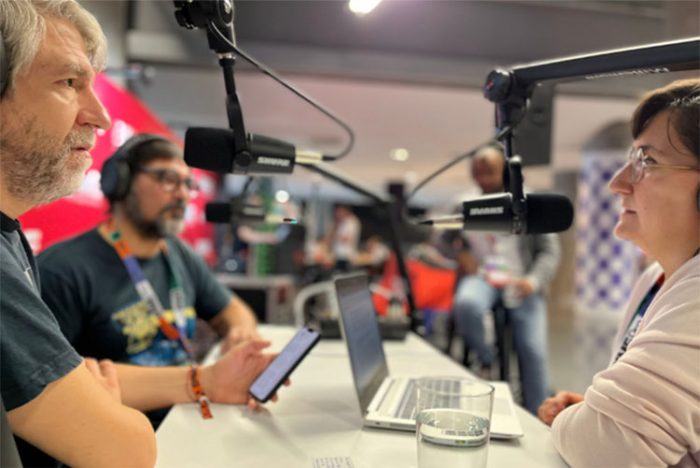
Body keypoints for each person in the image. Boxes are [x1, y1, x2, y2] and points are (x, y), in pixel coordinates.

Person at [0, 1, 156, 466]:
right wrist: (106, 407)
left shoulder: (10, 238)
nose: (100, 116)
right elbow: (124, 452)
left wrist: (203, 381)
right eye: (69, 82)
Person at [38, 134, 272, 427]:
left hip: (186, 414)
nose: (183, 195)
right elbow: (57, 384)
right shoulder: (63, 270)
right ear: (120, 183)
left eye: (188, 184)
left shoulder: (176, 253)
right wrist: (203, 380)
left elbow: (234, 310)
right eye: (168, 180)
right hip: (119, 433)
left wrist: (239, 332)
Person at [538, 79, 700, 466]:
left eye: (647, 161)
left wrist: (598, 423)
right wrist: (595, 412)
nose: (618, 182)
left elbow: (608, 449)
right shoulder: (656, 279)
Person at [452, 143, 561, 415]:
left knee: (533, 350)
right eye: (477, 172)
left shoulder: (529, 203)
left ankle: (538, 412)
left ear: (504, 171)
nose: (482, 178)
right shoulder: (464, 204)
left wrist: (533, 281)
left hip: (521, 283)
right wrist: (460, 253)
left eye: (488, 171)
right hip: (483, 278)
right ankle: (486, 359)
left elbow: (549, 252)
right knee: (466, 304)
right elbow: (442, 239)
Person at [325, 204, 361, 272]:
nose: (337, 214)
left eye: (339, 211)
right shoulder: (338, 222)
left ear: (345, 211)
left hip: (346, 256)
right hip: (337, 256)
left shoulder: (351, 222)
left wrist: (335, 236)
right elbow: (329, 238)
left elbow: (348, 239)